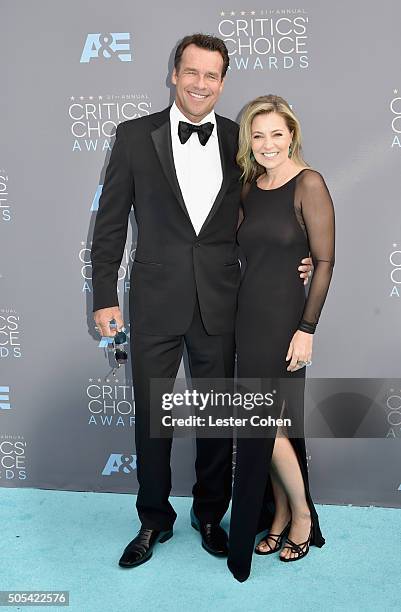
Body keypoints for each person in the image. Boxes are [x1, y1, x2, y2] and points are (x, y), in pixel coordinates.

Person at [91, 36, 312, 569]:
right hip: (154, 301)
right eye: (191, 72)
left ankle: (211, 514)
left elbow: (272, 213)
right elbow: (111, 223)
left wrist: (300, 260)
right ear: (174, 74)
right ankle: (153, 519)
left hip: (223, 302)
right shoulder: (133, 136)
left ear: (222, 82)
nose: (200, 84)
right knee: (154, 415)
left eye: (211, 76)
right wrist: (103, 296)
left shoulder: (242, 140)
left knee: (217, 417)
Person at [227, 95, 335, 582]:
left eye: (276, 133)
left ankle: (302, 515)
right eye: (258, 135)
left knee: (265, 424)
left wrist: (306, 329)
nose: (268, 144)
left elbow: (325, 261)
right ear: (249, 139)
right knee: (266, 428)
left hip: (285, 323)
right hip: (247, 319)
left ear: (291, 133)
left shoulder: (308, 183)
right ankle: (279, 515)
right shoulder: (250, 187)